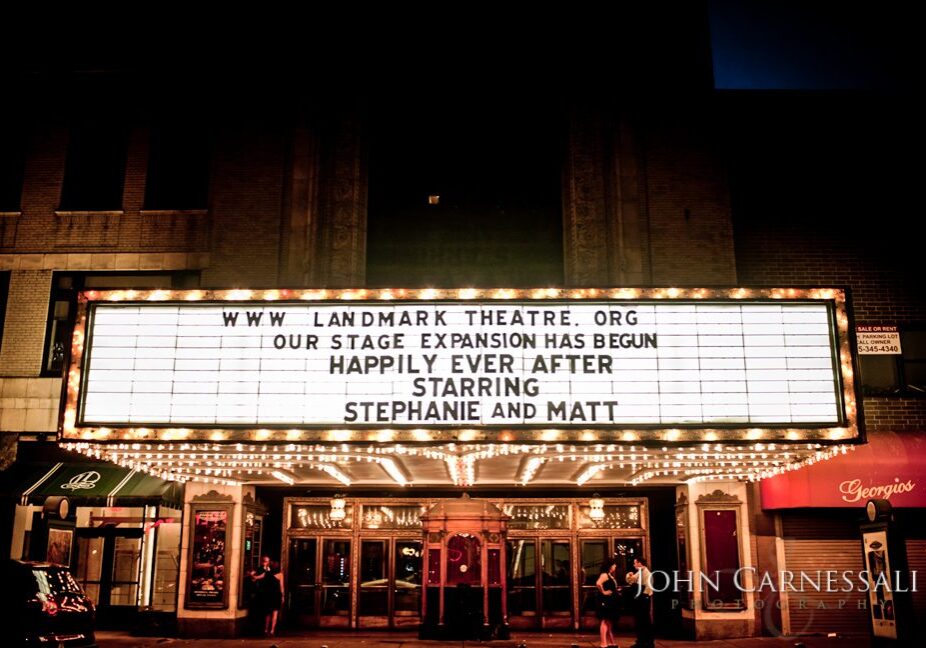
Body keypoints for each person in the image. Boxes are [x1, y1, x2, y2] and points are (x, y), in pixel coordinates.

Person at [252, 556, 284, 637]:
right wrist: (283, 596)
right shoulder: (280, 575)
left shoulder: (266, 573)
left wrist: (252, 575)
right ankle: (272, 630)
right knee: (275, 613)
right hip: (276, 595)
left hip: (269, 595)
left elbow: (256, 577)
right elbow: (282, 587)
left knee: (268, 613)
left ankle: (266, 629)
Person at [626, 556, 654, 648]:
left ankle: (646, 642)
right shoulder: (640, 572)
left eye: (635, 563)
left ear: (640, 563)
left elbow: (648, 588)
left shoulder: (646, 573)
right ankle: (641, 641)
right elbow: (630, 580)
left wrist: (642, 596)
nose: (634, 564)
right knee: (640, 620)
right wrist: (629, 575)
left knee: (644, 620)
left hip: (643, 599)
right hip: (641, 599)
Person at [595, 558, 621, 648]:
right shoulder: (605, 574)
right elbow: (598, 583)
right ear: (610, 566)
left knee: (608, 622)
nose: (615, 566)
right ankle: (603, 643)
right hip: (606, 601)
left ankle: (611, 643)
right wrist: (604, 592)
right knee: (605, 620)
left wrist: (616, 590)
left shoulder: (609, 575)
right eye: (614, 565)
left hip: (610, 601)